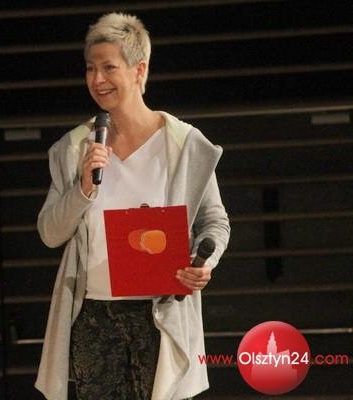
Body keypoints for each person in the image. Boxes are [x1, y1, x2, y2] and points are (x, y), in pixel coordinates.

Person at [35, 12, 230, 400]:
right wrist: (83, 188)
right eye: (90, 68)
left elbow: (214, 221)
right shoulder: (74, 148)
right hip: (93, 316)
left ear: (139, 70)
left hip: (160, 313)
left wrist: (203, 262)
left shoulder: (183, 144)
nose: (97, 79)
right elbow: (50, 233)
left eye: (109, 67)